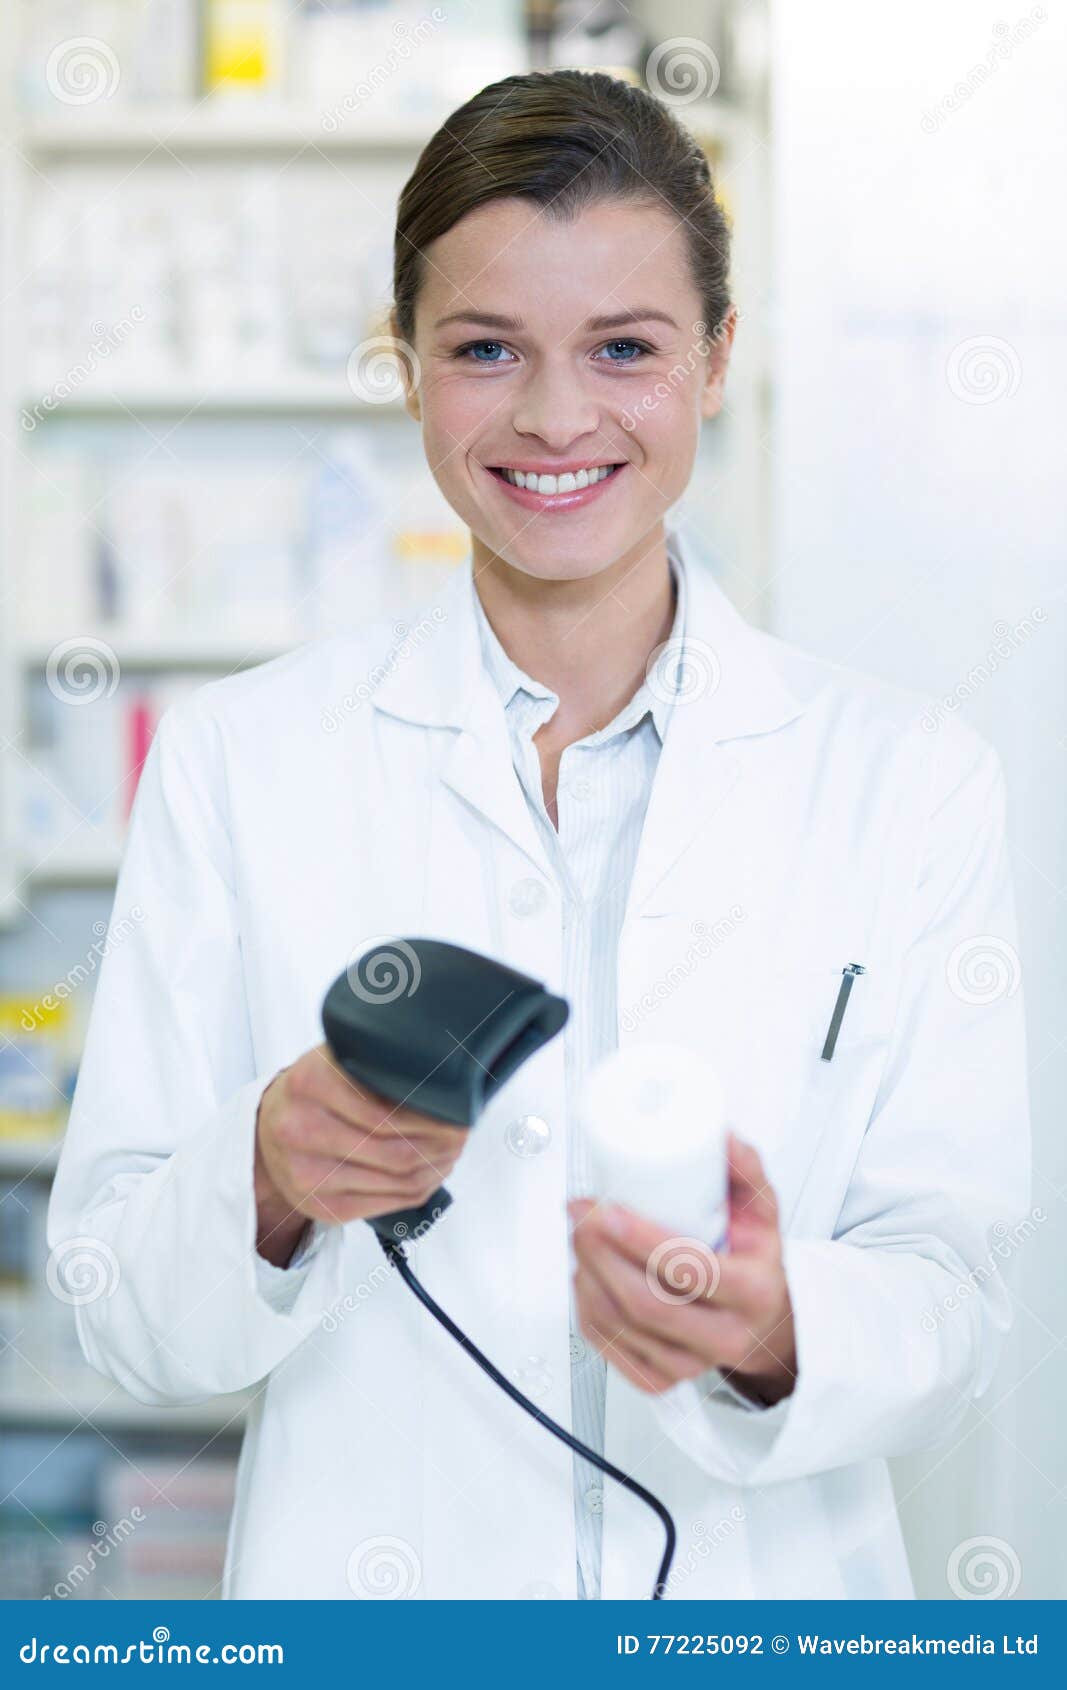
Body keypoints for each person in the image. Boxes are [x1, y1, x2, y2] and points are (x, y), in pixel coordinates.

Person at [48, 69, 1030, 1601]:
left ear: (717, 360)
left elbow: (958, 1298)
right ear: (405, 366)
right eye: (485, 349)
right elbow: (113, 1301)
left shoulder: (908, 781)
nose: (556, 416)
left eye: (625, 348)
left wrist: (783, 1325)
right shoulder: (241, 762)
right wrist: (270, 1172)